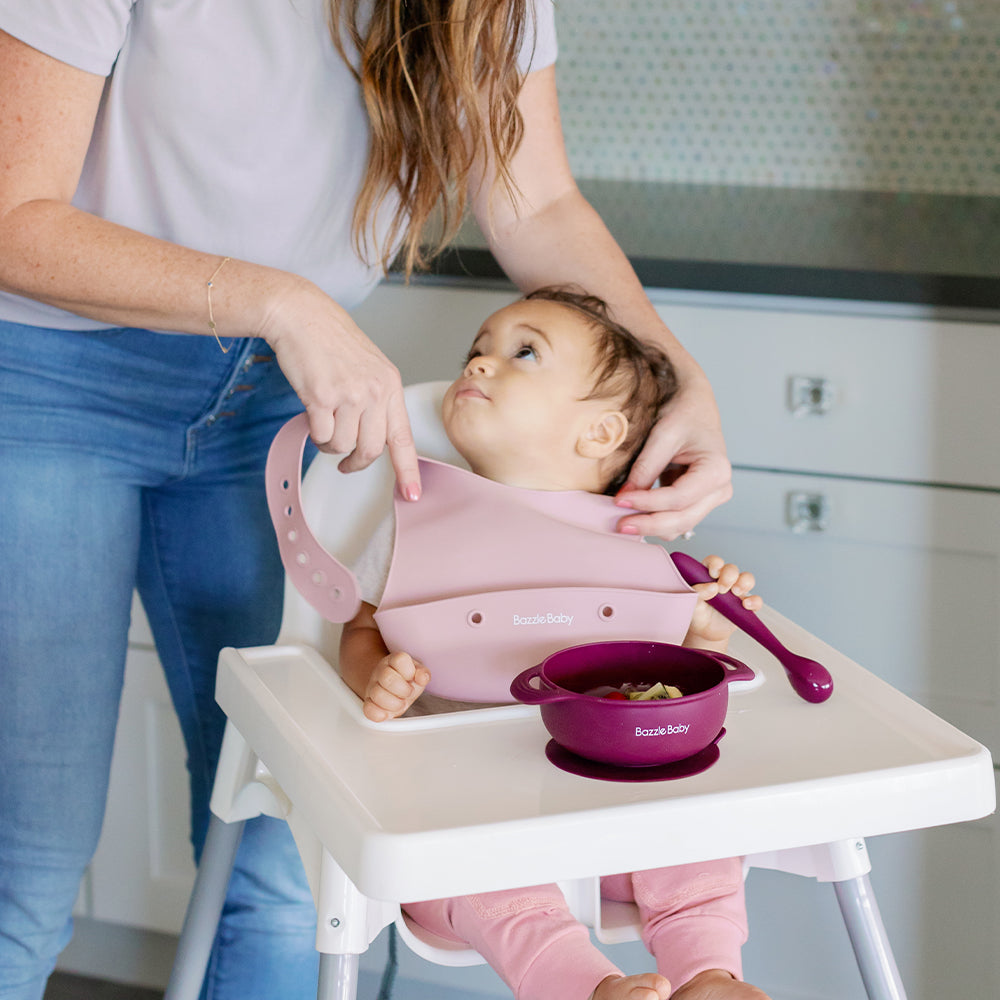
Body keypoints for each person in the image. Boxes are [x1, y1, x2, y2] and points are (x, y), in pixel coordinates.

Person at [0, 4, 731, 998]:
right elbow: (11, 218)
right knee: (29, 865)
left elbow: (537, 202)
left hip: (279, 403)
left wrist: (677, 376)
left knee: (282, 855)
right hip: (46, 381)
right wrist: (285, 299)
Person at [339, 287, 770, 1000]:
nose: (479, 363)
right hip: (463, 823)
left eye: (524, 352)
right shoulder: (416, 526)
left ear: (600, 434)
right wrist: (376, 675)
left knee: (698, 847)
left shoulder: (639, 546)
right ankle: (585, 989)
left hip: (617, 816)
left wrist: (709, 617)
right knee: (499, 882)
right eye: (478, 348)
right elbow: (357, 631)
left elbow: (684, 663)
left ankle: (710, 976)